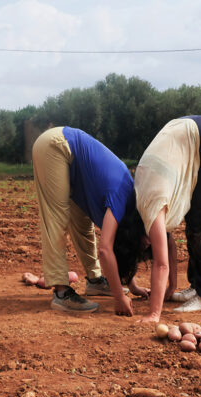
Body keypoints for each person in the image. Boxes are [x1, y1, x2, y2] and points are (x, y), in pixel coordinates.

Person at [115, 115, 201, 323]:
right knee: (194, 217)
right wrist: (172, 286)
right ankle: (197, 286)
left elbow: (161, 264)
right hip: (186, 128)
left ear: (138, 241)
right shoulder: (136, 209)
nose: (147, 250)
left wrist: (154, 314)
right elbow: (168, 244)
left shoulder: (150, 210)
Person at [32, 126, 148, 315]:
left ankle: (95, 282)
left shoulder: (130, 214)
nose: (146, 246)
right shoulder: (120, 200)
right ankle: (62, 294)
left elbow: (122, 248)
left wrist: (131, 286)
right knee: (57, 219)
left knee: (83, 226)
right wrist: (119, 297)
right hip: (56, 146)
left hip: (75, 169)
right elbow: (106, 249)